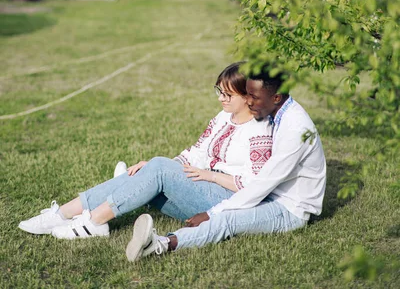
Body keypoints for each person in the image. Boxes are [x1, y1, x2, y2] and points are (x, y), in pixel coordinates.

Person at [19, 62, 273, 240]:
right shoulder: (223, 117)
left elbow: (253, 186)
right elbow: (195, 153)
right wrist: (158, 168)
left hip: (226, 203)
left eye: (228, 94)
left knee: (157, 170)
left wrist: (211, 176)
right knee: (149, 173)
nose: (221, 99)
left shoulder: (260, 130)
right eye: (219, 91)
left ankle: (94, 221)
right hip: (201, 189)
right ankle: (62, 213)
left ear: (248, 96)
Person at [124, 65, 327, 261]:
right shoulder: (279, 111)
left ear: (276, 97)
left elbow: (262, 184)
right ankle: (133, 187)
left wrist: (212, 213)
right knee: (176, 196)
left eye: (254, 97)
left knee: (226, 220)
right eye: (247, 94)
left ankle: (160, 244)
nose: (248, 102)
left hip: (288, 208)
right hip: (269, 195)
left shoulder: (295, 130)